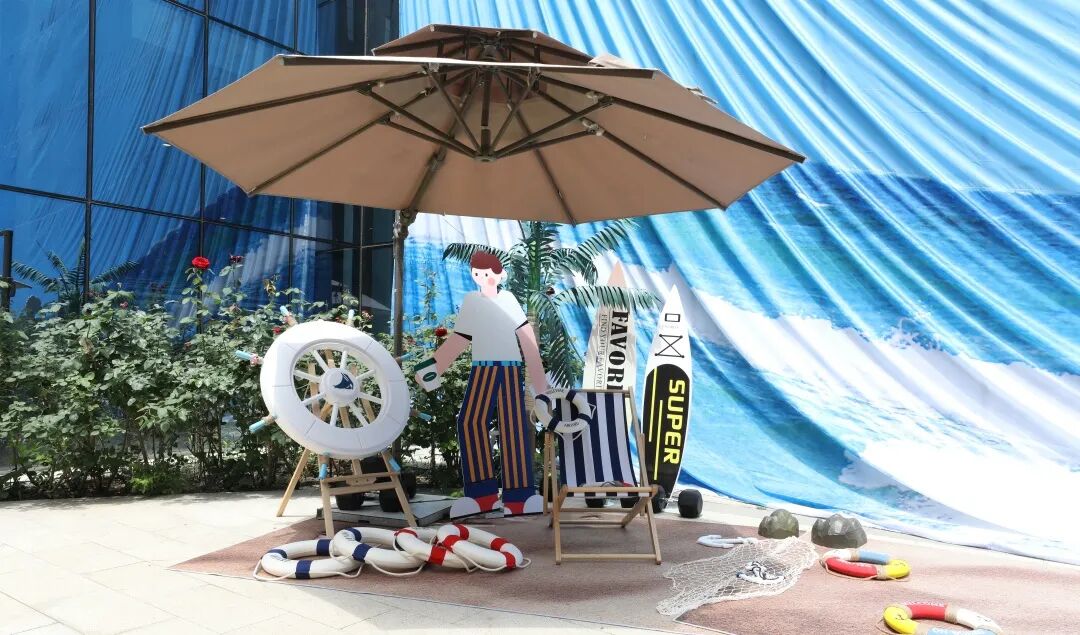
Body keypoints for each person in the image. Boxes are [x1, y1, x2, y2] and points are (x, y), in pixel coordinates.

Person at [416, 251, 548, 518]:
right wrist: (434, 367)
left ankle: (520, 497)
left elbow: (526, 338)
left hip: (509, 368)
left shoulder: (508, 299)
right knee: (469, 422)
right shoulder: (472, 301)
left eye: (487, 274)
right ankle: (482, 495)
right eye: (477, 274)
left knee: (512, 427)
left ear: (500, 275)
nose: (483, 278)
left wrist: (540, 385)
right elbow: (459, 338)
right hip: (482, 368)